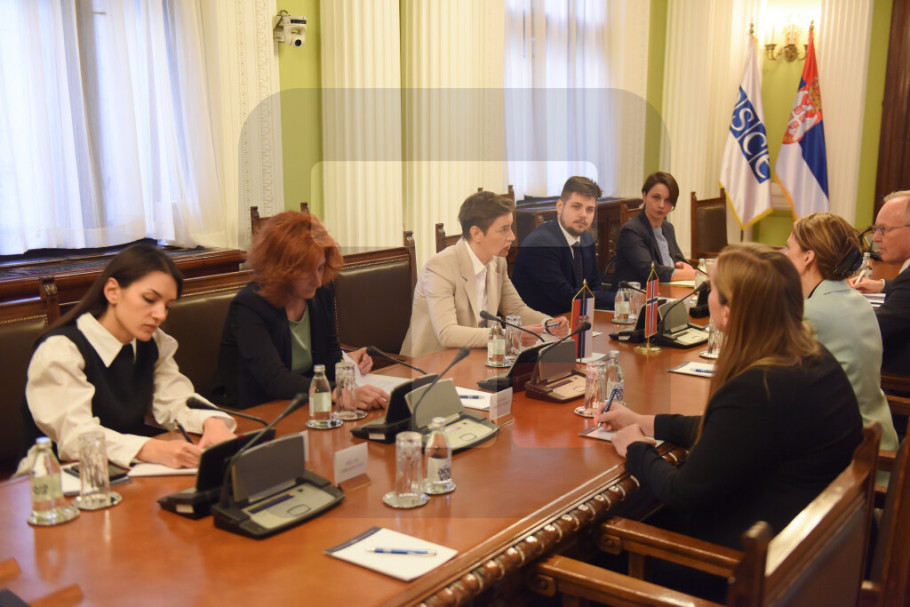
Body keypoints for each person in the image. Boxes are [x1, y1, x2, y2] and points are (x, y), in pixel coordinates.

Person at [598, 243, 862, 553]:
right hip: (811, 544)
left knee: (602, 542)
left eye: (711, 288)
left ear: (728, 309)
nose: (706, 296)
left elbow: (681, 492)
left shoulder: (758, 387)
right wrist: (645, 422)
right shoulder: (811, 357)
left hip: (745, 562)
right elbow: (731, 431)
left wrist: (635, 447)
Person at [21, 244, 237, 470]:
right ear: (112, 291)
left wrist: (212, 422)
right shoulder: (61, 350)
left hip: (121, 470)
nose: (160, 315)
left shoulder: (153, 342)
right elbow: (77, 436)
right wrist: (150, 449)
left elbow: (174, 400)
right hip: (51, 478)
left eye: (167, 306)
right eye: (149, 299)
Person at [212, 212, 388, 410]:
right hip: (256, 409)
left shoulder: (321, 292)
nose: (317, 281)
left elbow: (330, 355)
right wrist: (339, 393)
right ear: (281, 269)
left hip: (305, 401)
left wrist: (351, 373)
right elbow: (274, 378)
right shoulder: (249, 305)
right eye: (307, 272)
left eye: (320, 268)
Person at [784, 212, 898, 471]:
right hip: (878, 441)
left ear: (808, 257)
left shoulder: (809, 314)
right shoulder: (857, 300)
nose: (784, 256)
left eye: (789, 248)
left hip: (849, 461)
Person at [401, 190, 569, 358]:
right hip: (432, 362)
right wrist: (508, 335)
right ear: (476, 234)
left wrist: (548, 323)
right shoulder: (439, 267)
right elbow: (447, 333)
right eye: (504, 229)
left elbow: (516, 309)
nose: (512, 236)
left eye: (510, 227)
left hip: (478, 356)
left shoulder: (497, 261)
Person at [511, 176, 616, 316]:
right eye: (576, 206)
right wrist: (620, 299)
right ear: (560, 206)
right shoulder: (540, 244)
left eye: (590, 209)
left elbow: (595, 285)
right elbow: (566, 297)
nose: (583, 215)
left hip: (576, 319)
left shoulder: (586, 238)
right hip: (543, 323)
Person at [850, 191, 910, 376]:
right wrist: (882, 284)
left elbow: (869, 330)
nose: (875, 238)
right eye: (875, 229)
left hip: (897, 384)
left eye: (883, 229)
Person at [612, 172, 697, 285]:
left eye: (668, 200)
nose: (661, 205)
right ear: (644, 196)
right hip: (637, 293)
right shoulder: (631, 231)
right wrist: (695, 275)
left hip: (666, 290)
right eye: (656, 197)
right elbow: (651, 271)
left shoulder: (668, 228)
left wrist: (684, 265)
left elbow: (677, 260)